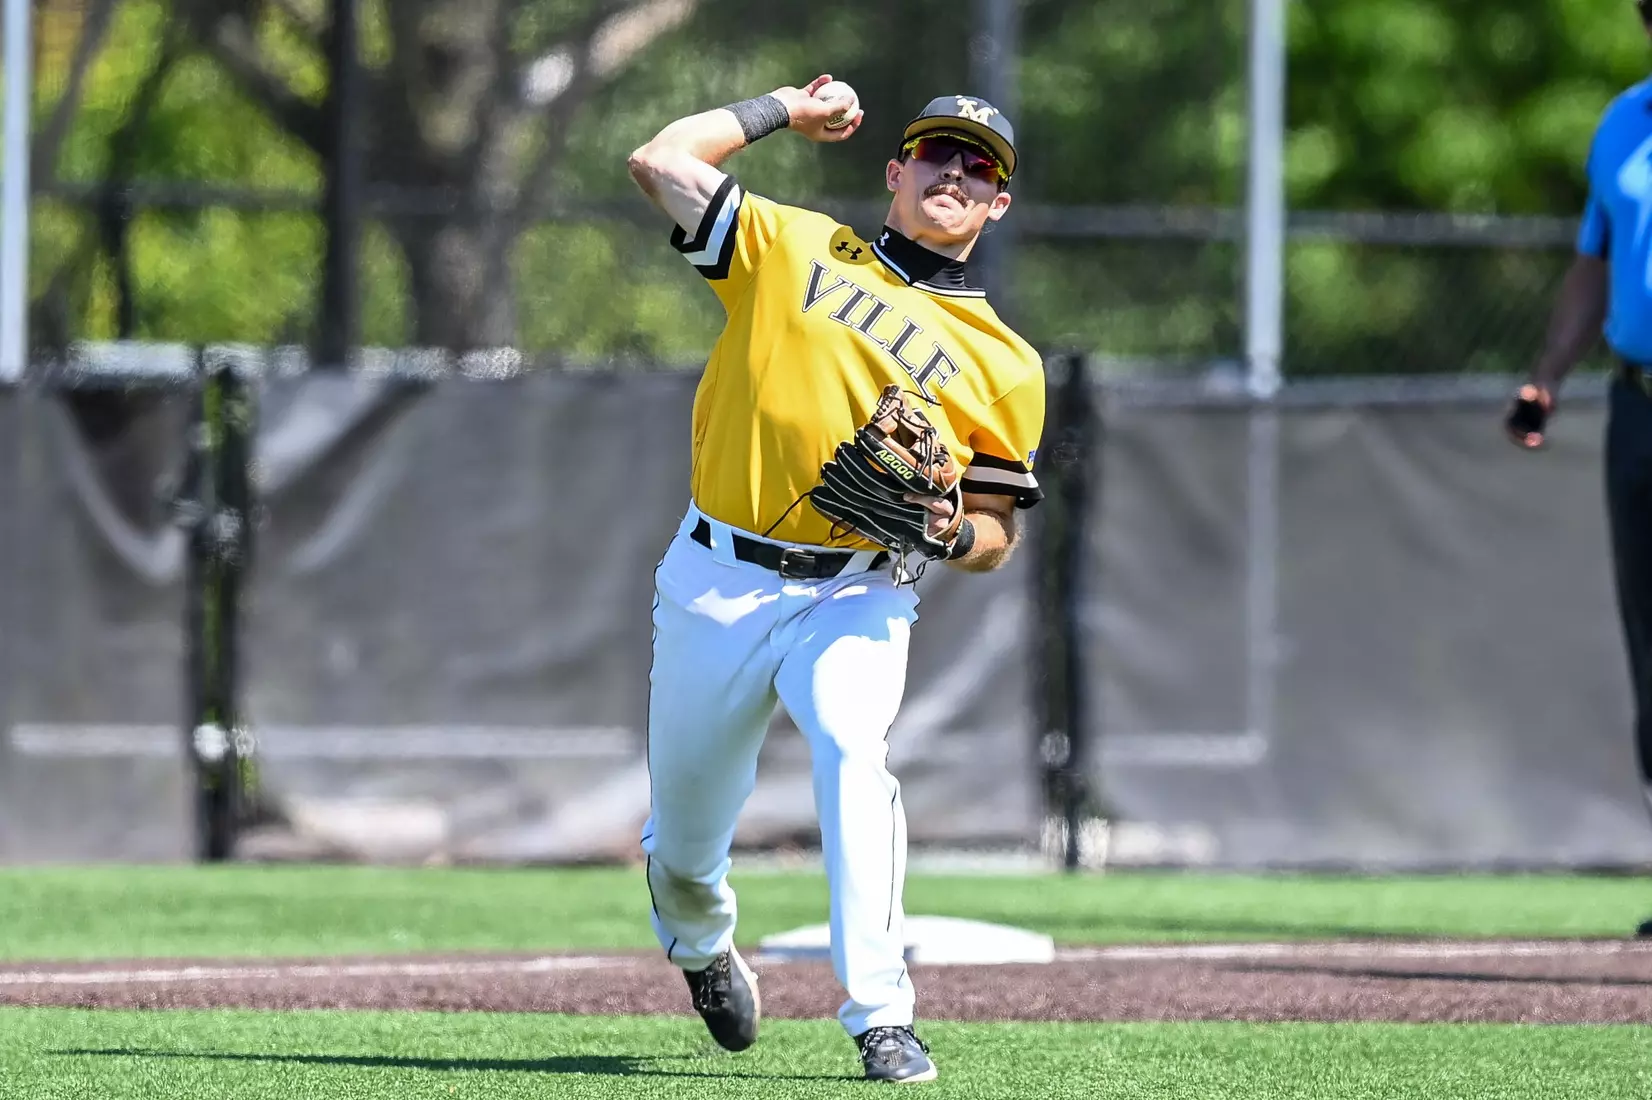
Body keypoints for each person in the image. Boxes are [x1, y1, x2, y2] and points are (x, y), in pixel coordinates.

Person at [625, 76, 1045, 1081]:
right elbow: (658, 160)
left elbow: (995, 531)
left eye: (977, 165)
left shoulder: (1006, 362)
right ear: (894, 172)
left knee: (854, 754)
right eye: (936, 153)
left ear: (996, 204)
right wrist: (781, 108)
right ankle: (699, 943)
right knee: (682, 847)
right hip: (716, 577)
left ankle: (880, 1013)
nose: (954, 170)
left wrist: (949, 531)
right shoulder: (790, 245)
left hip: (858, 587)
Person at [1504, 1, 1652, 939]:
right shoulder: (1622, 121)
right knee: (1651, 644)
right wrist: (1547, 377)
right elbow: (1594, 265)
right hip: (1638, 405)